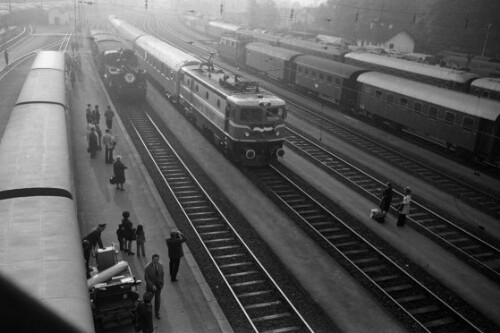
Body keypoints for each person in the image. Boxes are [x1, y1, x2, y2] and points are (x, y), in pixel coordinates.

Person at [144, 254, 164, 319]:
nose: (156, 261)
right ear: (152, 259)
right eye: (155, 260)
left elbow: (162, 275)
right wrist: (152, 285)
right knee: (149, 300)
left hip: (158, 286)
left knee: (157, 300)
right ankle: (148, 312)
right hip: (151, 287)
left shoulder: (160, 266)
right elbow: (146, 278)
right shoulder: (147, 268)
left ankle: (157, 313)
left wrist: (162, 283)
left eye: (157, 260)